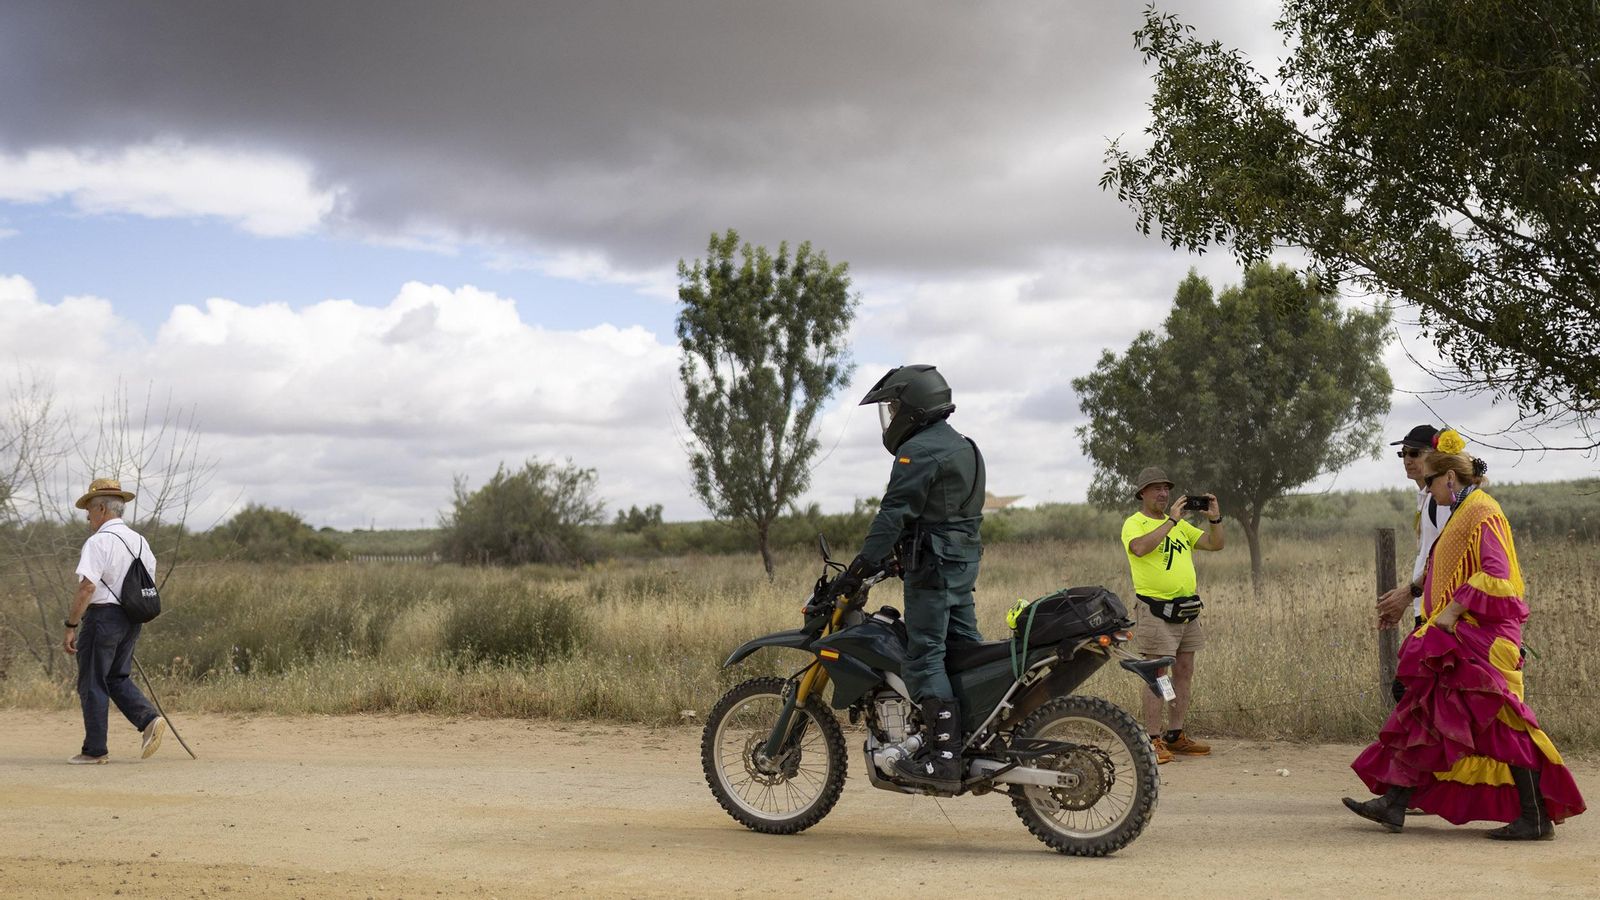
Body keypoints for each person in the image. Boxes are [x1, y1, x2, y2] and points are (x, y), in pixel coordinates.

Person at [1344, 432, 1585, 839]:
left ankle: (1536, 817)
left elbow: (1498, 575)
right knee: (1427, 712)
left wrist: (1452, 611)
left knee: (1503, 722)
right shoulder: (1464, 511)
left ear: (1450, 479)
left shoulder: (1482, 512)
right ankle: (1395, 802)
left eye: (1432, 482)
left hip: (1483, 640)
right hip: (1460, 637)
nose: (1429, 490)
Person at [831, 364, 984, 791]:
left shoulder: (918, 451)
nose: (892, 415)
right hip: (960, 566)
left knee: (923, 659)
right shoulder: (964, 446)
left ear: (914, 406)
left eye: (895, 407)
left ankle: (945, 759)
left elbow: (893, 514)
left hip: (934, 572)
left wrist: (861, 567)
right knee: (964, 652)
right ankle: (974, 735)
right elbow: (944, 513)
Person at [1121, 467, 1224, 764]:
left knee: (1184, 670)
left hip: (1187, 611)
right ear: (1142, 493)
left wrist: (1215, 518)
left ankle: (1175, 734)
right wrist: (1171, 521)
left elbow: (1215, 544)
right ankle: (1152, 739)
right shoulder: (1135, 523)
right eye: (1156, 488)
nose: (1163, 493)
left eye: (1166, 488)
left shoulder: (1180, 527)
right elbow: (1140, 548)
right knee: (1157, 674)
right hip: (1156, 612)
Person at [63, 478, 166, 764]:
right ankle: (149, 720)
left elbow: (87, 587)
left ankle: (95, 750)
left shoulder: (99, 542)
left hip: (103, 618)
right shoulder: (141, 541)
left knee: (92, 681)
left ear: (101, 509)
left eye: (89, 510)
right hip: (131, 618)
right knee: (116, 677)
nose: (87, 517)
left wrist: (71, 625)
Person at [1375, 424, 1453, 702]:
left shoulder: (1441, 502)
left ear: (1435, 455)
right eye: (1403, 453)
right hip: (1427, 609)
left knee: (1411, 693)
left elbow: (1446, 561)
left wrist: (1408, 593)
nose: (1407, 459)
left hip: (1440, 613)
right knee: (1421, 696)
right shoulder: (1427, 499)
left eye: (1415, 453)